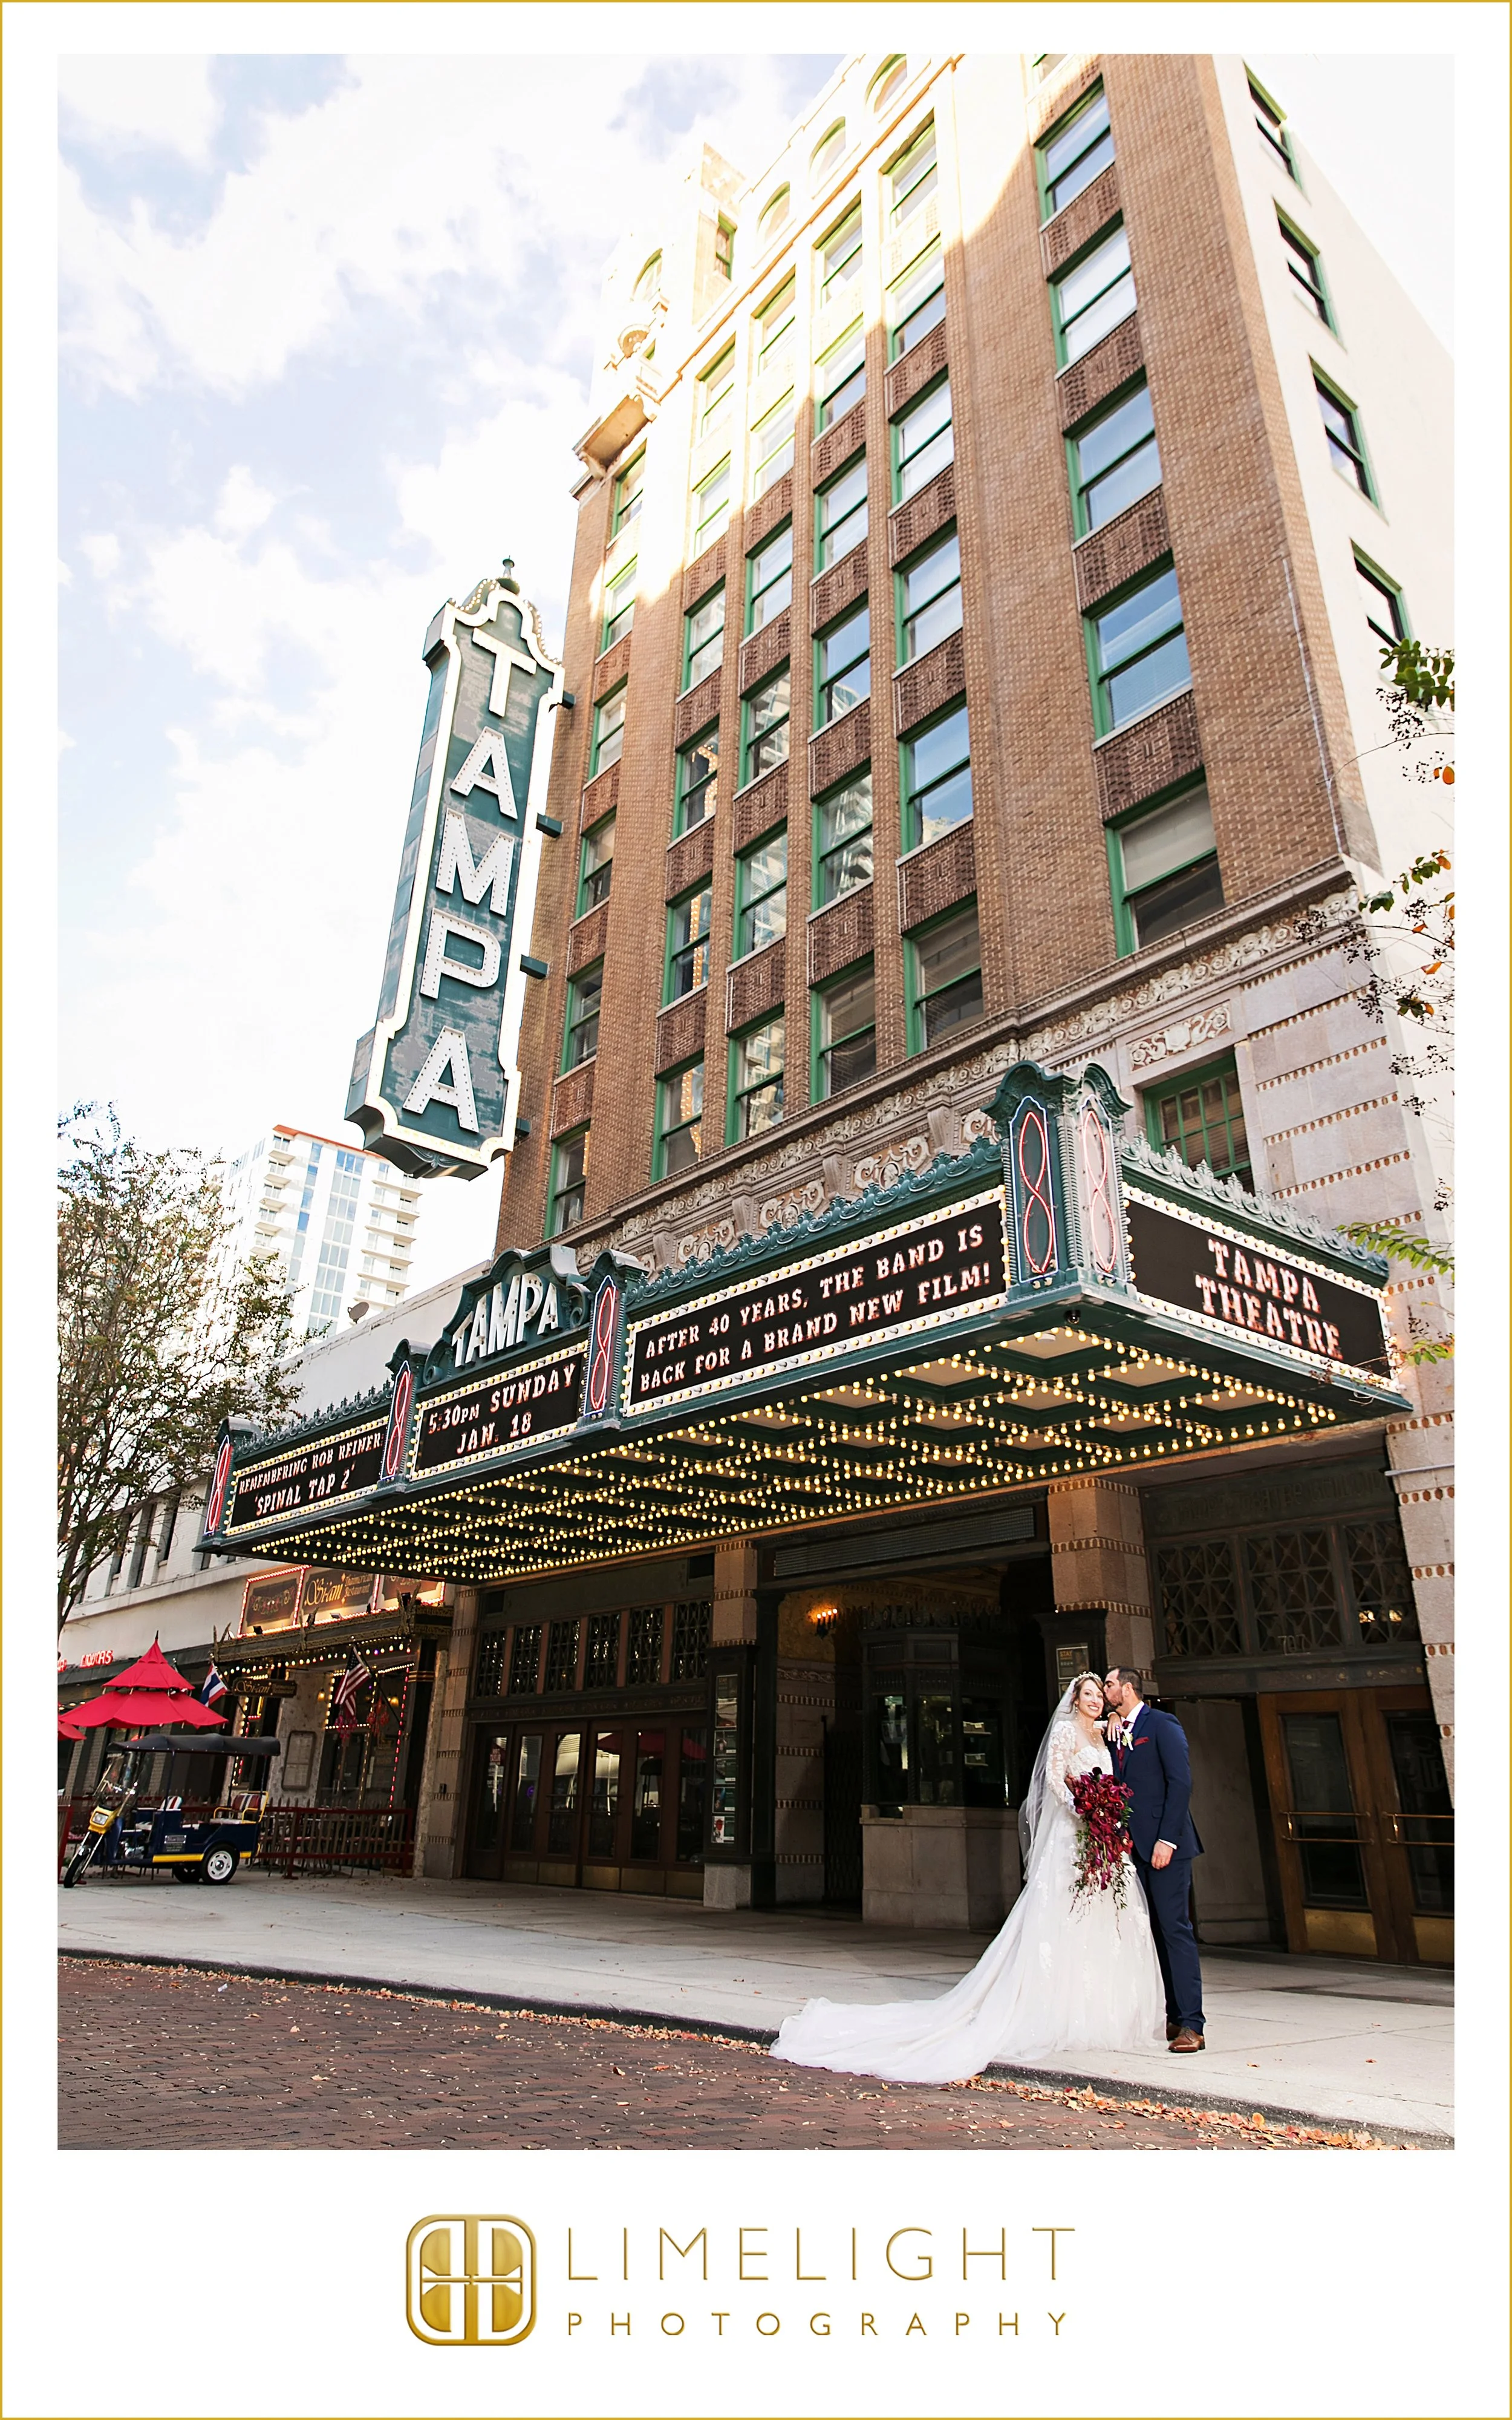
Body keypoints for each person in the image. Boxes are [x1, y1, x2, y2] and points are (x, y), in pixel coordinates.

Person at [769, 1673, 1165, 2085]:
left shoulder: (1104, 1734)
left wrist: (1106, 1804)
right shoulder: (1066, 1732)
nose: (1096, 1701)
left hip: (1101, 1843)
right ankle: (1055, 2010)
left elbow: (1116, 1760)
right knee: (1061, 1921)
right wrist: (1083, 1808)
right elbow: (1052, 1780)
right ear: (1075, 1700)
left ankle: (1102, 2011)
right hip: (1073, 1834)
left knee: (1105, 1923)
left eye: (1100, 1696)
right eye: (1088, 1695)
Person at [1103, 1666, 1205, 2052]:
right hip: (1131, 1851)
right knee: (1153, 1934)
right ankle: (1174, 2016)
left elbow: (1181, 1783)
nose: (1105, 1692)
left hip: (1167, 1848)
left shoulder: (1163, 1724)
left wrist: (1167, 1840)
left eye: (1110, 1686)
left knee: (1176, 1930)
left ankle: (1193, 2024)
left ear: (1127, 1689)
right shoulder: (1114, 1728)